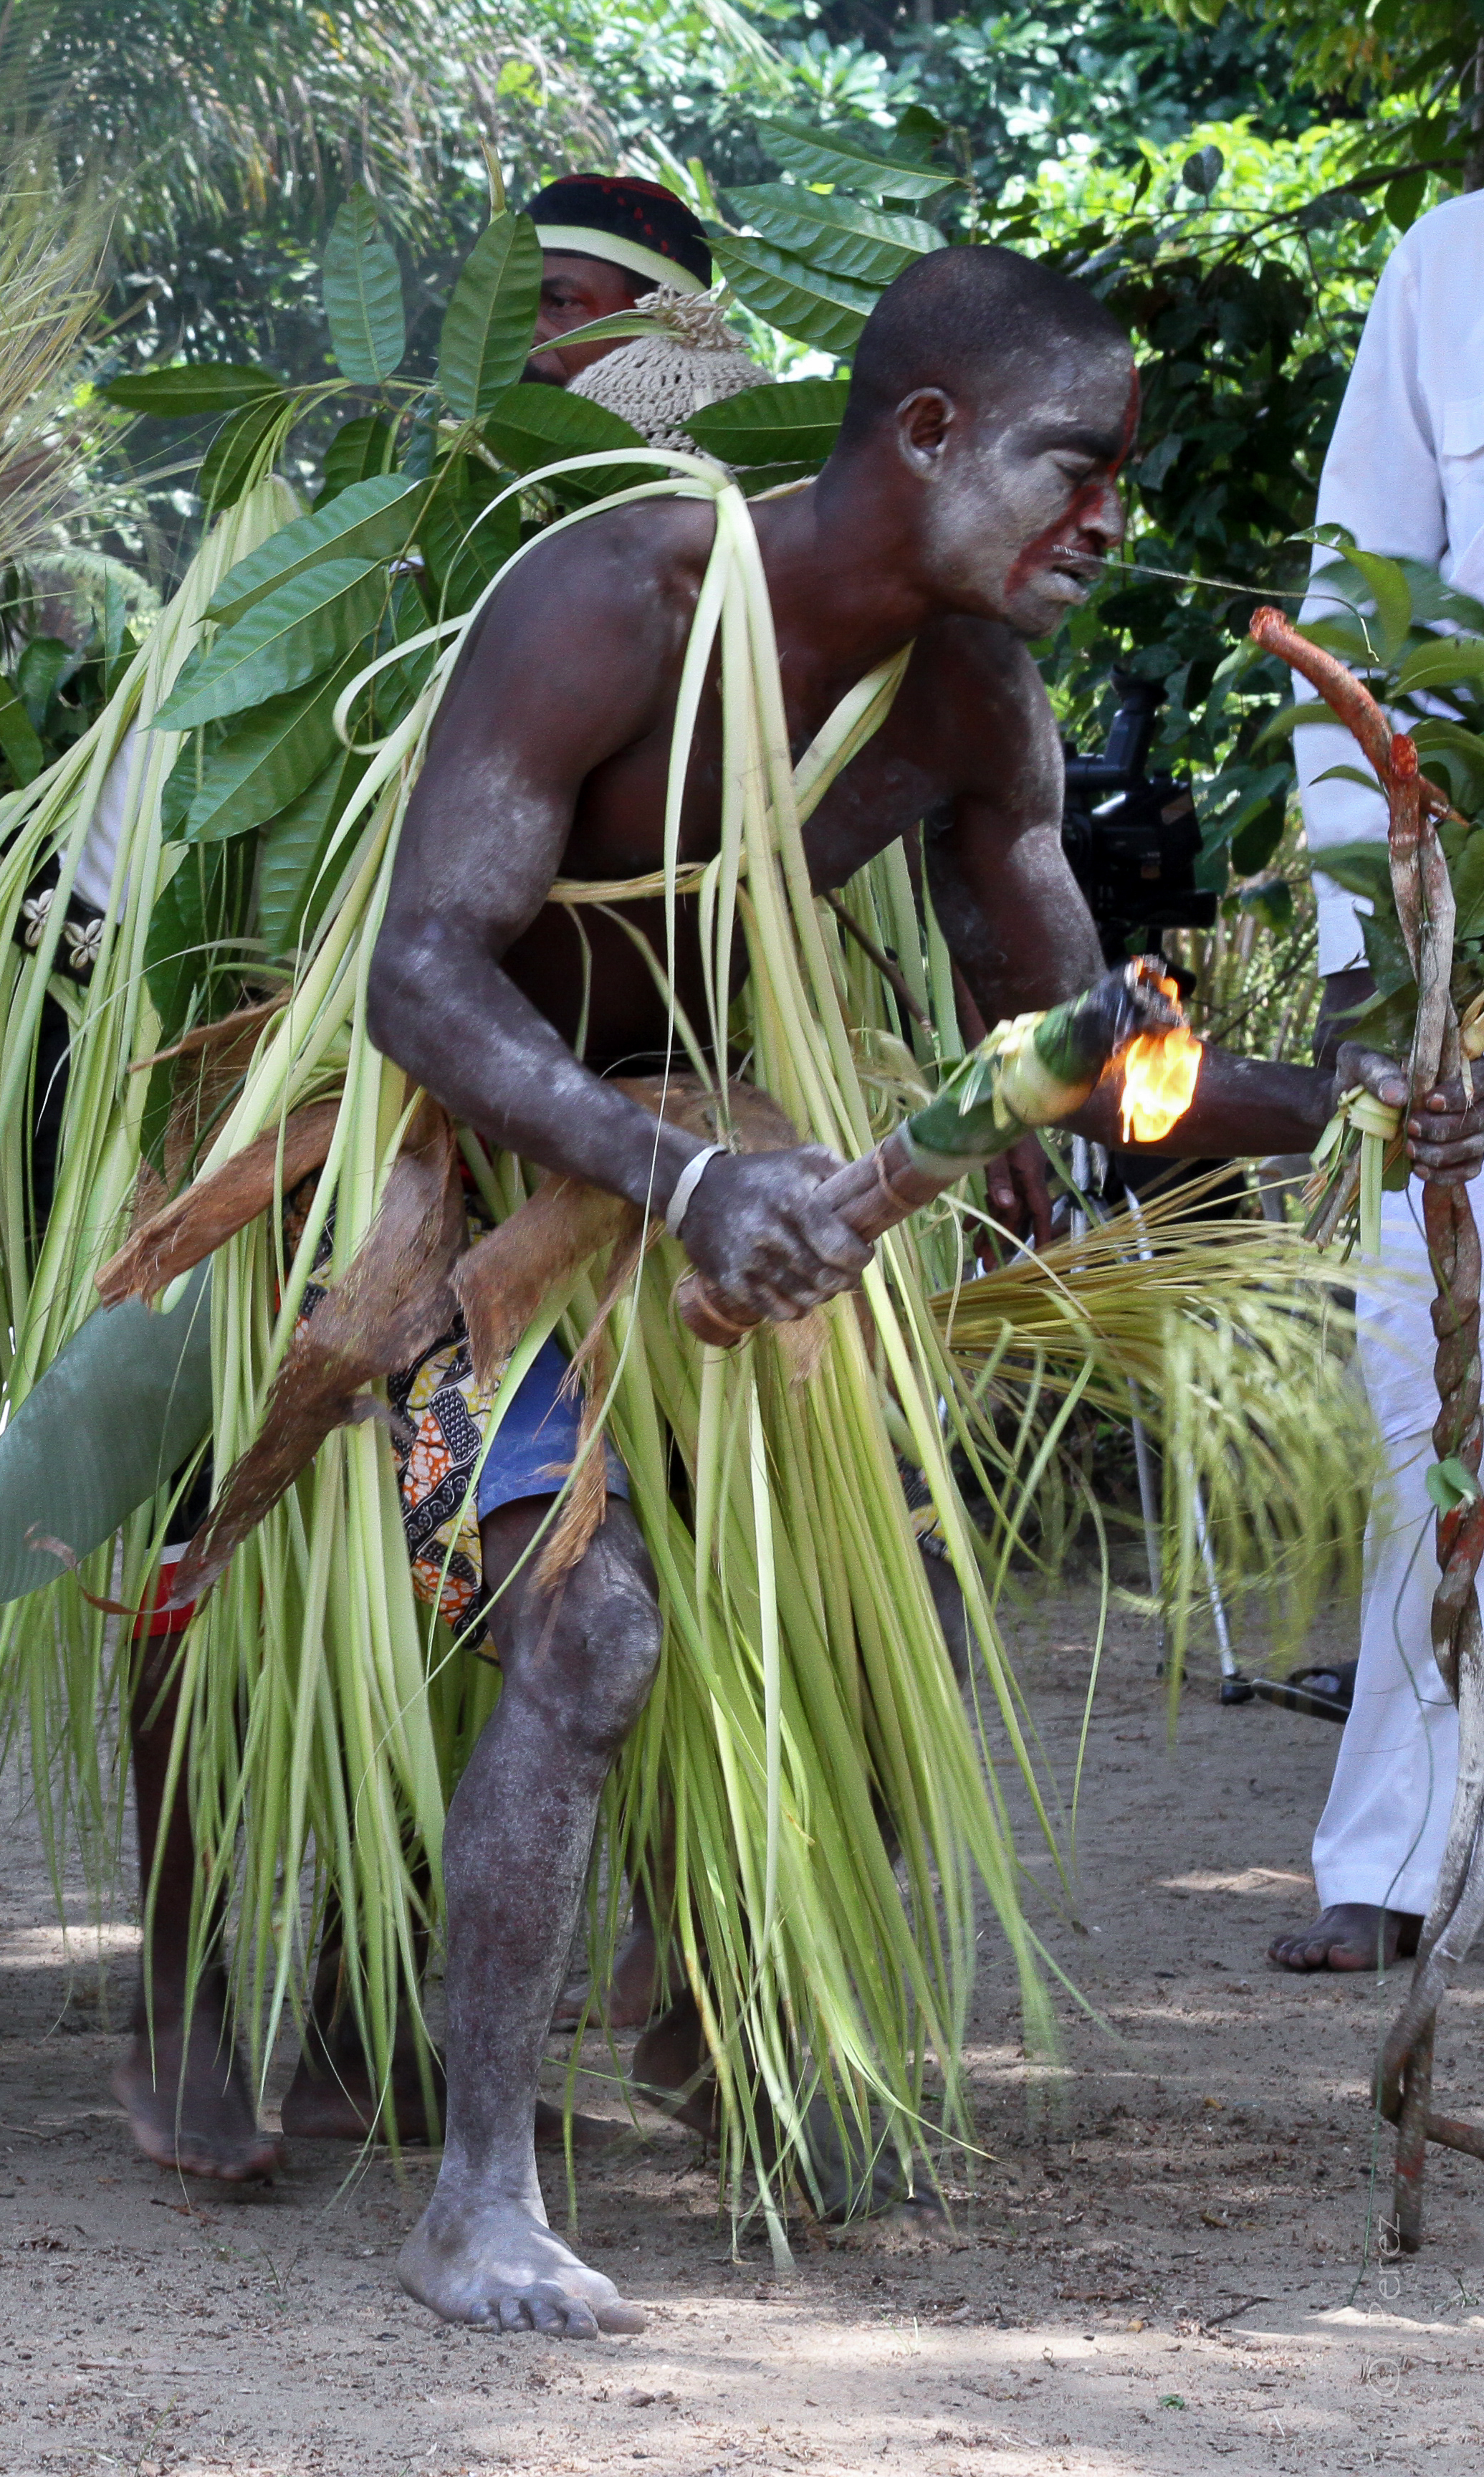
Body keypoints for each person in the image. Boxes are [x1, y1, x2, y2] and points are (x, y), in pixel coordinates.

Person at [349, 243, 1475, 2334]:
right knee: (587, 1633)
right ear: (930, 431)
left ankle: (715, 2023)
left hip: (712, 1208)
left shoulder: (973, 708)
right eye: (1079, 463)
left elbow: (1078, 1058)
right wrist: (679, 1175)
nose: (1110, 515)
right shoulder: (620, 603)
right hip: (438, 1229)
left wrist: (1349, 1102)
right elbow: (418, 973)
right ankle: (473, 2200)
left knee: (903, 1582)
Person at [1270, 190, 1484, 1976]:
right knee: (1423, 1376)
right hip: (1457, 931)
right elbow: (1356, 603)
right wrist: (1376, 965)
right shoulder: (1448, 269)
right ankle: (1400, 1847)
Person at [522, 175, 768, 456]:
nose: (520, 331)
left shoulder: (743, 454)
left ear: (670, 321)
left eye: (562, 303)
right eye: (512, 306)